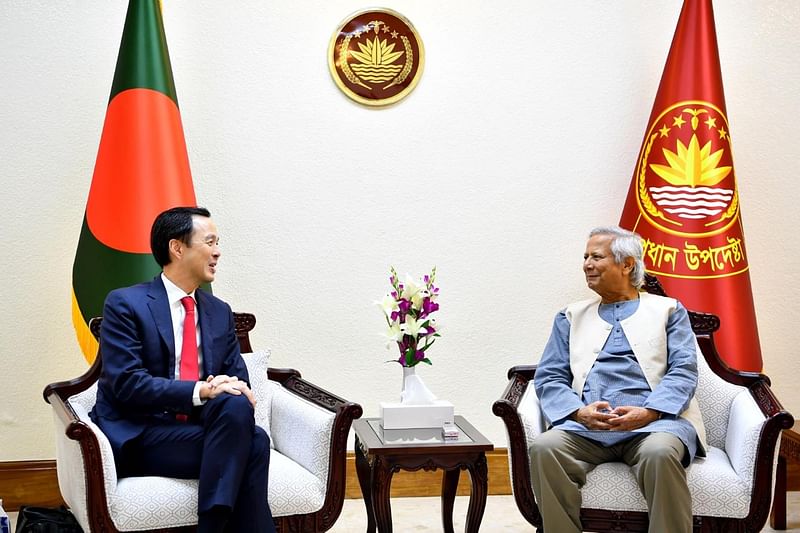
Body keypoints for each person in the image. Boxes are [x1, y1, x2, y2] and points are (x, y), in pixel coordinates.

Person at [90, 206, 275, 533]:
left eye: (219, 243)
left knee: (236, 406)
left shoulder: (219, 312)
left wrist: (223, 385)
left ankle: (212, 524)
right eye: (210, 242)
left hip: (200, 428)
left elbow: (239, 380)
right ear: (177, 248)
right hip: (141, 432)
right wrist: (202, 390)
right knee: (255, 442)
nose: (218, 252)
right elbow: (127, 384)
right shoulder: (125, 304)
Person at [529, 226, 707, 533]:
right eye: (585, 257)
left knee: (660, 453)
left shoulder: (669, 310)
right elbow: (550, 376)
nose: (586, 264)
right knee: (546, 448)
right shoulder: (569, 316)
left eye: (596, 257)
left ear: (627, 264)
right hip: (586, 428)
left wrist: (650, 412)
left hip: (655, 424)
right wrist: (577, 413)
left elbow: (684, 371)